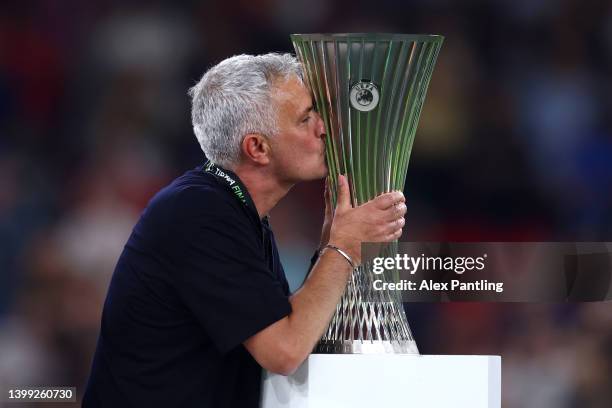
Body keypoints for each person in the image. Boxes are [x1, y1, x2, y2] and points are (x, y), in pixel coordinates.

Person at [82, 53, 406, 407]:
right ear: (257, 148)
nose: (324, 127)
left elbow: (295, 330)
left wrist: (332, 244)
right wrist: (343, 247)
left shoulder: (234, 211)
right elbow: (284, 352)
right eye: (306, 118)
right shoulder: (197, 213)